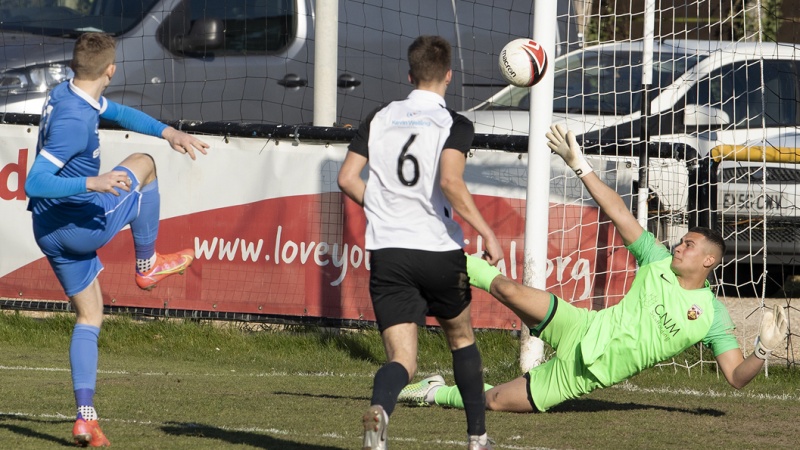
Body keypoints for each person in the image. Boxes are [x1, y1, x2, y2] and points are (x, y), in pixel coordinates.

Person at [398, 124, 789, 415]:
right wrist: (580, 165)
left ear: (708, 260)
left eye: (688, 244)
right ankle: (436, 253)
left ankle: (434, 391)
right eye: (681, 240)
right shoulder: (656, 260)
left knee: (492, 401)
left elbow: (737, 377)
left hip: (580, 375)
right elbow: (618, 212)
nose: (679, 246)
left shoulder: (713, 317)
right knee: (507, 288)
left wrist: (762, 349)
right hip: (582, 326)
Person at [24, 33, 209, 447]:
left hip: (48, 230)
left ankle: (85, 418)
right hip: (77, 226)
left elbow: (119, 111)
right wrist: (95, 181)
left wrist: (168, 131)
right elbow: (34, 182)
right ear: (111, 70)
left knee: (90, 316)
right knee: (143, 166)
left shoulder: (66, 92)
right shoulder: (73, 122)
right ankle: (148, 265)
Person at [337, 35, 504, 450]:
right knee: (461, 338)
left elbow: (346, 178)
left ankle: (381, 411)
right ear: (448, 75)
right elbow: (449, 181)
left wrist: (381, 206)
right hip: (437, 250)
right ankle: (477, 437)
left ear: (409, 75)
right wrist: (486, 231)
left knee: (402, 360)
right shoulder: (455, 123)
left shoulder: (380, 116)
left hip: (389, 252)